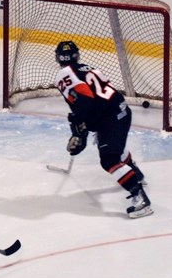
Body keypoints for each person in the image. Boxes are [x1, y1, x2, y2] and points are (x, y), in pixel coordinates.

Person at [53, 40, 153, 219]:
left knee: (109, 160)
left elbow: (85, 100)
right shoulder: (87, 68)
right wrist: (83, 126)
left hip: (109, 118)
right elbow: (95, 98)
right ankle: (135, 174)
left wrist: (79, 128)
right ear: (77, 55)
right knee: (114, 148)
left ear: (58, 58)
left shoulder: (63, 75)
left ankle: (140, 200)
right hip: (121, 111)